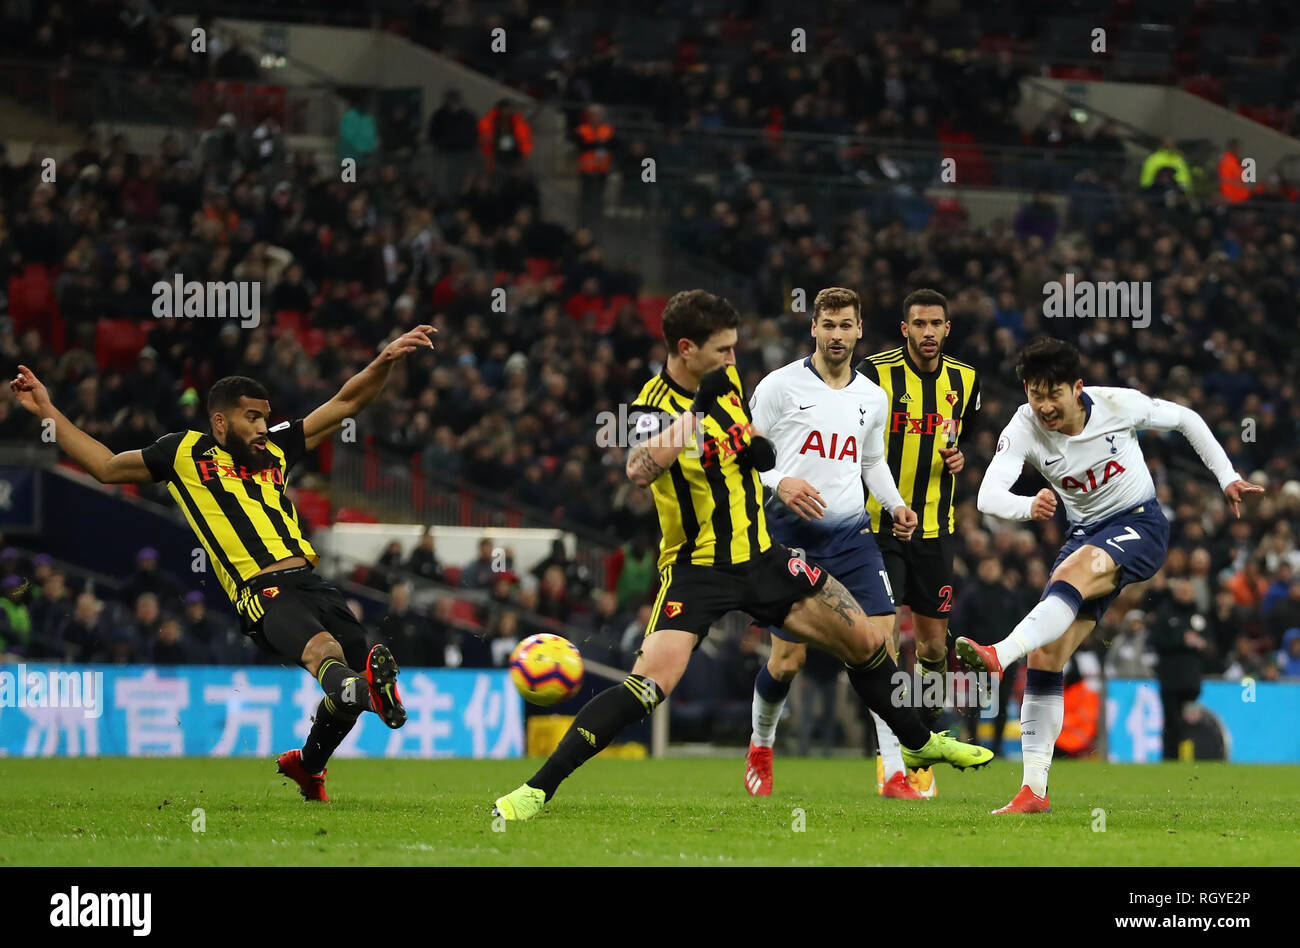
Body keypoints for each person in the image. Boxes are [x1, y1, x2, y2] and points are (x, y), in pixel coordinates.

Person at [492, 289, 992, 821]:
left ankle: (914, 746)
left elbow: (753, 449)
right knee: (650, 686)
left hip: (763, 556)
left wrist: (759, 453)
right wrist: (695, 416)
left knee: (870, 641)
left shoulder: (733, 388)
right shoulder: (652, 403)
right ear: (686, 348)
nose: (733, 361)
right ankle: (537, 789)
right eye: (723, 350)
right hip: (698, 569)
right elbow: (639, 469)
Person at [9, 324, 438, 801]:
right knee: (326, 654)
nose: (261, 426)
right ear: (219, 422)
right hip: (260, 592)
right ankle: (364, 695)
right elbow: (107, 467)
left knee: (357, 672)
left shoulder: (276, 447)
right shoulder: (184, 453)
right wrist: (48, 410)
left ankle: (311, 763)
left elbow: (344, 404)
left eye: (265, 417)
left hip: (312, 583)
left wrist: (385, 358)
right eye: (251, 417)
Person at [963, 336, 1263, 813]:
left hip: (1140, 523)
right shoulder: (1024, 425)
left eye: (1052, 394)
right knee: (1045, 652)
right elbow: (986, 496)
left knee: (1076, 570)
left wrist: (1226, 476)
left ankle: (998, 655)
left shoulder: (1116, 405)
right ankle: (1033, 790)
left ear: (1077, 387)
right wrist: (1026, 505)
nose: (1043, 406)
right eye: (1034, 394)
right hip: (1085, 533)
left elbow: (1186, 419)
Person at [742, 286, 925, 800]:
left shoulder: (873, 396)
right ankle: (761, 744)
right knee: (787, 662)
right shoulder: (779, 387)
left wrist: (894, 506)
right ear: (814, 329)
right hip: (790, 536)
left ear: (860, 329)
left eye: (847, 325)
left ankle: (892, 772)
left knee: (882, 645)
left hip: (852, 537)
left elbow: (870, 462)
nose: (838, 335)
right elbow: (742, 452)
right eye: (829, 325)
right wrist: (781, 482)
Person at [856, 288, 982, 790]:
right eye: (919, 323)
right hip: (880, 526)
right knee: (882, 642)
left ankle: (921, 742)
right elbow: (857, 441)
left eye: (936, 323)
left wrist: (960, 459)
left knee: (933, 649)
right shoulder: (874, 373)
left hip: (936, 530)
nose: (928, 331)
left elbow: (962, 438)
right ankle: (891, 763)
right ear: (903, 328)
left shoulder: (965, 379)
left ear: (947, 329)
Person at [1149, 577, 1215, 760]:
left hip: (1192, 681)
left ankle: (1191, 756)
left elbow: (1212, 645)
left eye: (1189, 591)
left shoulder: (1199, 616)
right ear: (1175, 593)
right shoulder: (1164, 614)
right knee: (1172, 721)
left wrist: (1203, 644)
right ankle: (1170, 757)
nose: (1187, 595)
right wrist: (1181, 641)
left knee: (1190, 722)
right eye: (1183, 591)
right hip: (1170, 680)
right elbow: (1156, 642)